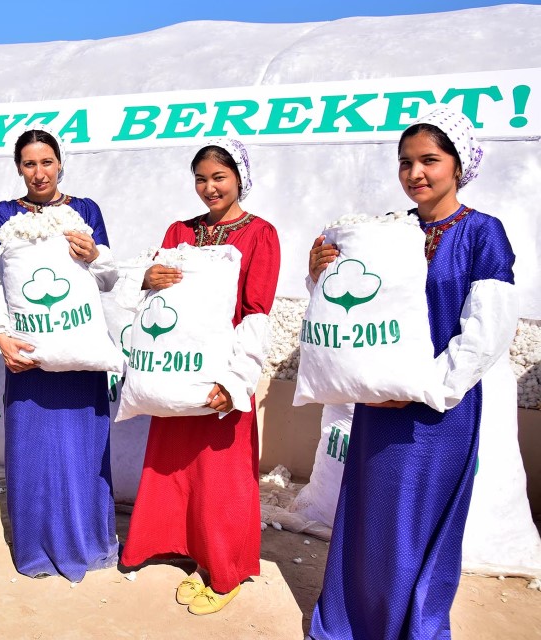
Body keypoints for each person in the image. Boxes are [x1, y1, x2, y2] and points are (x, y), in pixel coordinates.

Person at [307, 106, 517, 639]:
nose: (415, 173)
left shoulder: (481, 233)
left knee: (421, 520)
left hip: (439, 408)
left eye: (429, 160)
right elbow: (351, 314)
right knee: (371, 516)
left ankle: (416, 625)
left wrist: (427, 388)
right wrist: (319, 279)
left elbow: (486, 331)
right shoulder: (383, 232)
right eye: (406, 162)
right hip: (379, 403)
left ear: (459, 164)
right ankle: (354, 621)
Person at [120, 139, 281, 615]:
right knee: (176, 466)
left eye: (219, 177)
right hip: (177, 371)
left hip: (219, 374)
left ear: (240, 179)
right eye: (201, 178)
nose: (209, 187)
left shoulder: (259, 234)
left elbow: (256, 311)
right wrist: (147, 278)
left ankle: (224, 568)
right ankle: (184, 548)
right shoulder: (180, 230)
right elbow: (153, 298)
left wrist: (233, 383)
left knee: (219, 475)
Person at [0, 128, 119, 581]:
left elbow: (108, 278)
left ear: (61, 163)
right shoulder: (3, 213)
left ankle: (87, 539)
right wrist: (0, 336)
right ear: (18, 168)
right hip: (31, 353)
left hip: (77, 352)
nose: (39, 173)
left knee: (81, 445)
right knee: (34, 447)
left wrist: (95, 254)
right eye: (29, 164)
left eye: (47, 162)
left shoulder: (87, 210)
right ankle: (37, 546)